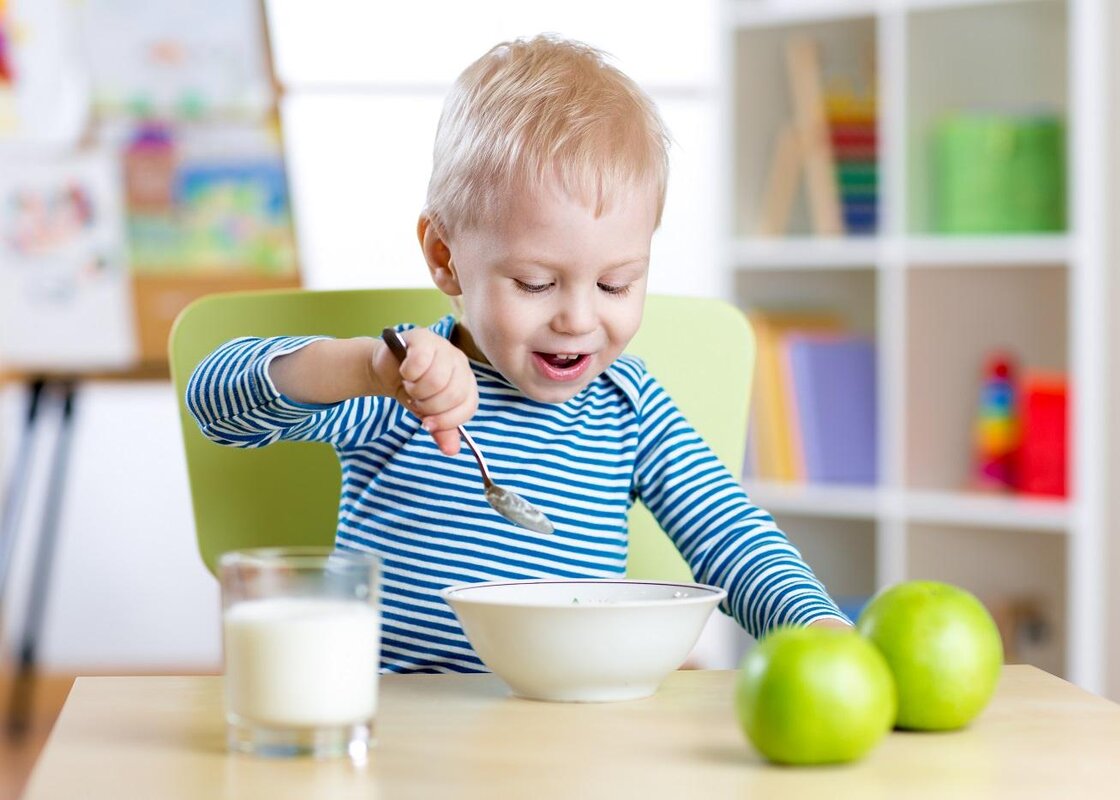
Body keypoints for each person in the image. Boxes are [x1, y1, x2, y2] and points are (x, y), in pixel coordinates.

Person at [187, 35, 851, 674]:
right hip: (399, 725)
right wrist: (364, 368)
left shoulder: (630, 405)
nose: (579, 318)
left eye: (617, 283)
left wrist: (819, 628)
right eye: (536, 283)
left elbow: (727, 534)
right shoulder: (401, 383)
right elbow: (214, 400)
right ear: (446, 258)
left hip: (570, 735)